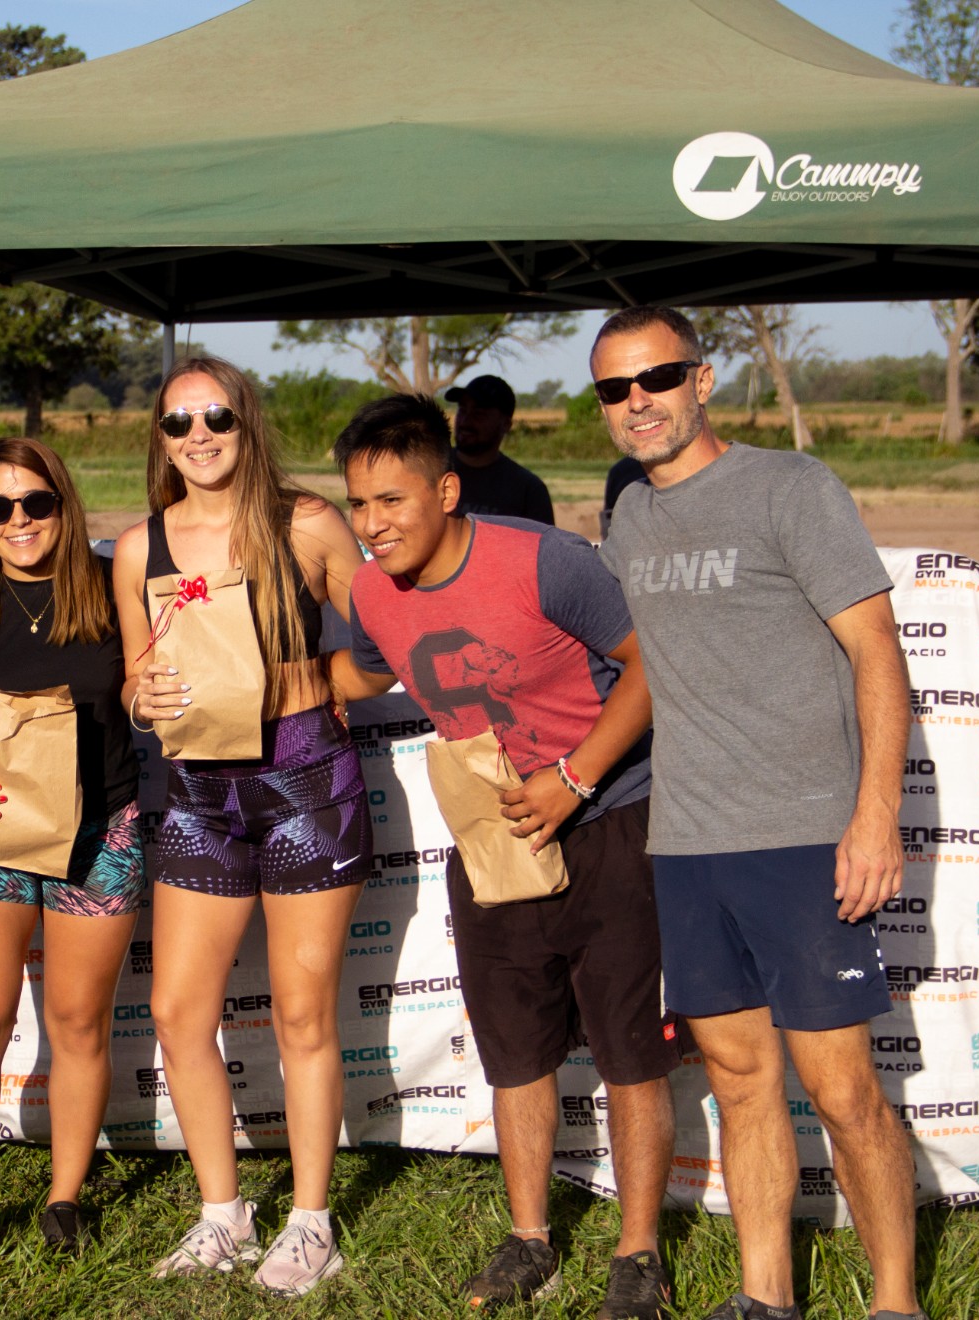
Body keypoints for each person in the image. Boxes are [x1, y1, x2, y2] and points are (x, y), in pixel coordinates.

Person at [591, 307, 922, 1320]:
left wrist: (874, 814)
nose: (638, 401)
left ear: (703, 380)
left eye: (657, 378)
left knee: (842, 1090)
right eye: (615, 389)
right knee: (740, 1080)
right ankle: (765, 1295)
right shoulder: (627, 514)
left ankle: (896, 1302)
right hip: (688, 843)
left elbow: (877, 651)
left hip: (804, 836)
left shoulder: (792, 488)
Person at [329, 393, 677, 1320]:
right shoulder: (371, 589)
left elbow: (650, 663)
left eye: (392, 501)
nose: (373, 525)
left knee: (629, 1051)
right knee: (516, 1056)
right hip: (491, 841)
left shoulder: (544, 560)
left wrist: (577, 775)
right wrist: (264, 679)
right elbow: (362, 668)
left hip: (610, 821)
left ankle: (639, 1254)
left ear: (446, 489)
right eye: (359, 505)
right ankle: (531, 1239)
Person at [113, 355, 368, 1298]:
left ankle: (310, 1223)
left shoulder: (307, 524)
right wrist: (145, 694)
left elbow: (387, 637)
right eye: (178, 424)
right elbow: (134, 679)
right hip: (196, 791)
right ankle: (222, 1213)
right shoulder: (141, 547)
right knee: (181, 1012)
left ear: (245, 420)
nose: (199, 437)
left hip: (305, 776)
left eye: (215, 416)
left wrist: (326, 690)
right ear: (161, 440)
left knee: (303, 1014)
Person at [0, 437, 141, 1266]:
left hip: (102, 829)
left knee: (79, 1021)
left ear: (63, 505)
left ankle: (65, 1198)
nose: (19, 520)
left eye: (35, 502)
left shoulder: (114, 595)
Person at [442, 374, 554, 525]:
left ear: (506, 424)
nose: (466, 420)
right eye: (462, 409)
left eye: (479, 413)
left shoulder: (528, 490)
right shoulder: (431, 470)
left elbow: (544, 546)